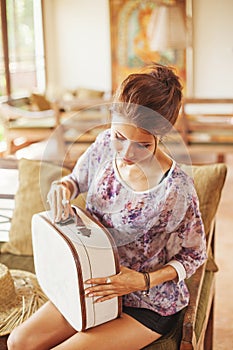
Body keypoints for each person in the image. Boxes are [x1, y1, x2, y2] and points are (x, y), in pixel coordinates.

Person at [7, 63, 207, 350]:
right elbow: (76, 180)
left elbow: (194, 255)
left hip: (146, 303)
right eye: (119, 137)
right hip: (93, 286)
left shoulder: (176, 188)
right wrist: (63, 187)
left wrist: (141, 281)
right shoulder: (103, 146)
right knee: (19, 342)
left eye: (142, 145)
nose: (126, 153)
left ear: (161, 136)